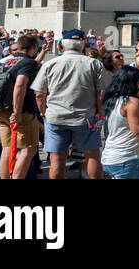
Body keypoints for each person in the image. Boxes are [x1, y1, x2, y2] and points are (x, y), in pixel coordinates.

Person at [34, 29, 108, 181]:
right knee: (92, 155)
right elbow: (101, 93)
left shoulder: (50, 64)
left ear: (63, 46)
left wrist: (43, 113)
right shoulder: (94, 64)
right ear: (82, 45)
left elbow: (40, 94)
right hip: (87, 117)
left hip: (55, 117)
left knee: (57, 159)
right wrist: (100, 113)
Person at [100, 65, 139, 179]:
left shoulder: (113, 100)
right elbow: (138, 130)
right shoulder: (131, 102)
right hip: (127, 159)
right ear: (132, 82)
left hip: (110, 157)